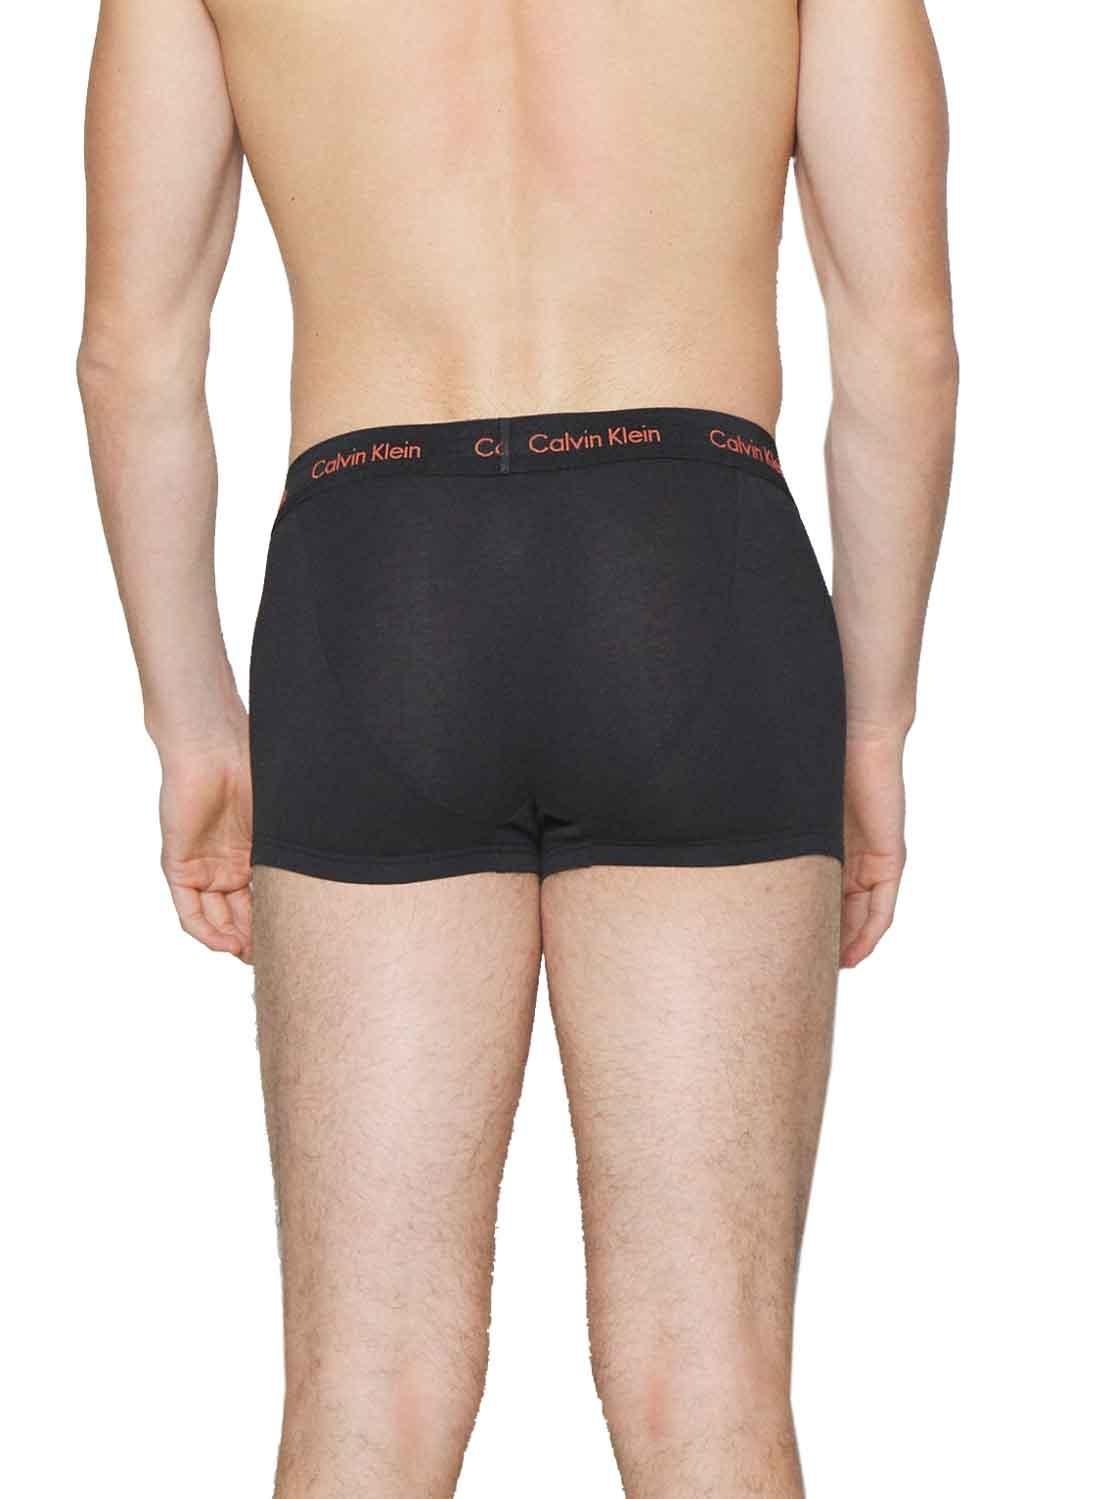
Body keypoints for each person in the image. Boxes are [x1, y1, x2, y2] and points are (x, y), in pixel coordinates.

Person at [77, 0, 957, 1492]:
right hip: (691, 563)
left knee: (369, 1381)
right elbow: (903, 344)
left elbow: (132, 357)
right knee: (706, 1375)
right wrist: (873, 721)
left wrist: (192, 722)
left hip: (375, 579)